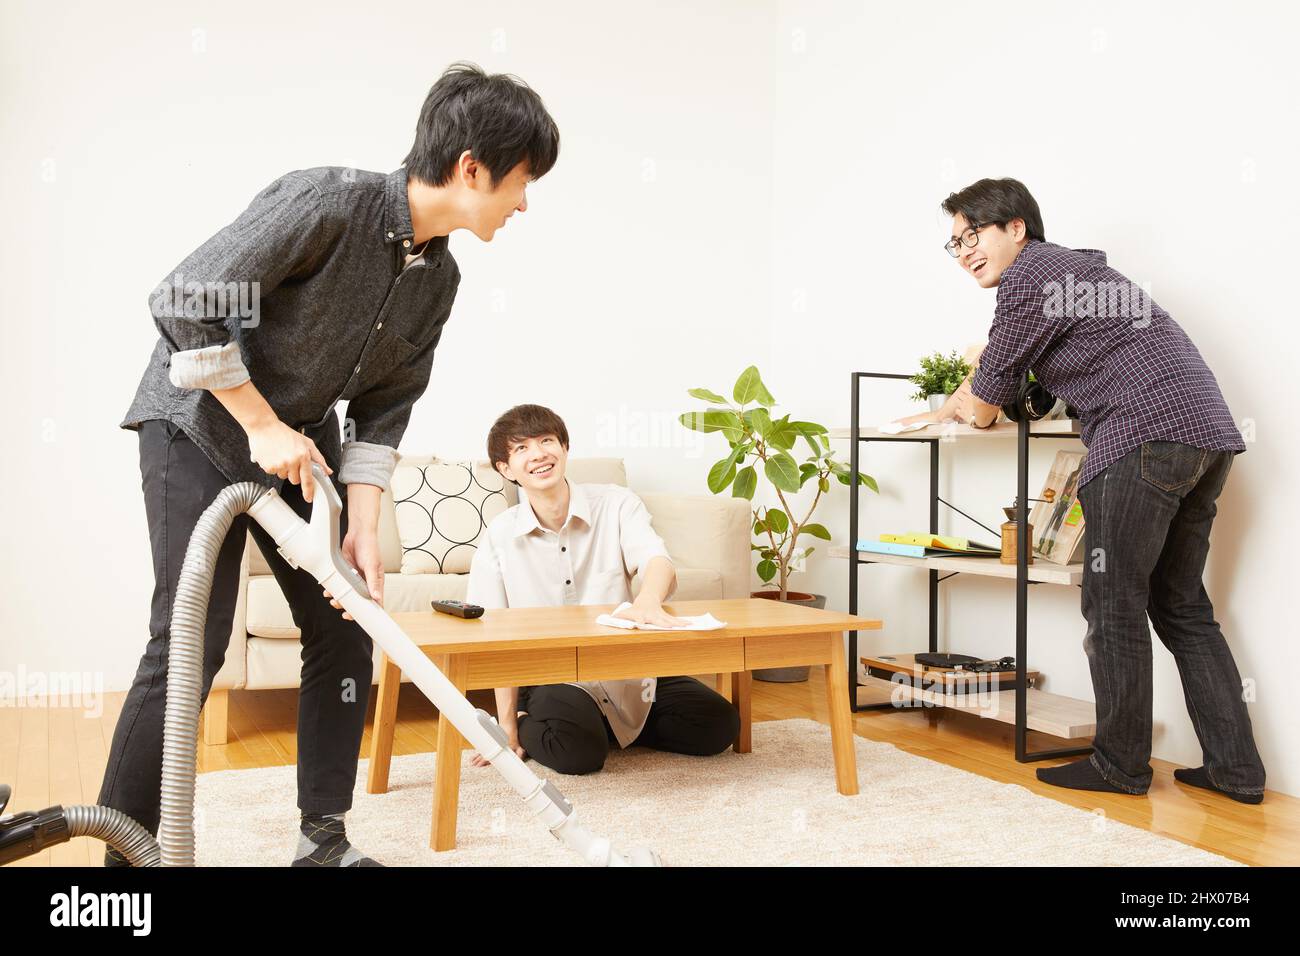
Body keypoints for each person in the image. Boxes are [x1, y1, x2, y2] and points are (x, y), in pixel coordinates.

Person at [102, 63, 560, 866]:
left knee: (345, 628)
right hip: (199, 426)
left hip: (299, 445)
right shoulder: (330, 203)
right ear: (472, 168)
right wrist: (260, 421)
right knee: (188, 642)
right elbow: (186, 297)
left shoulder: (439, 277)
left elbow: (386, 403)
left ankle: (324, 842)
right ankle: (128, 865)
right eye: (522, 182)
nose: (524, 203)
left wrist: (361, 528)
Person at [901, 177, 1264, 803]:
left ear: (1016, 227)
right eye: (953, 243)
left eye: (972, 235)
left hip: (1142, 438)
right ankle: (1237, 772)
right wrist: (984, 384)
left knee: (1114, 607)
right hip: (1204, 437)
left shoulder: (1029, 278)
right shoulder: (1079, 273)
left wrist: (956, 403)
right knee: (1182, 608)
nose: (962, 252)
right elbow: (1034, 377)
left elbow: (987, 405)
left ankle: (1119, 768)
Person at [465, 404, 740, 775]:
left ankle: (605, 726)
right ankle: (547, 720)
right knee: (579, 756)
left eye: (546, 441)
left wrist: (647, 600)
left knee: (719, 726)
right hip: (555, 677)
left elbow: (657, 562)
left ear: (564, 448)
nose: (538, 454)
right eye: (521, 449)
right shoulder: (500, 534)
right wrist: (508, 728)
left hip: (627, 672)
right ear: (505, 469)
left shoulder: (616, 502)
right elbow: (493, 636)